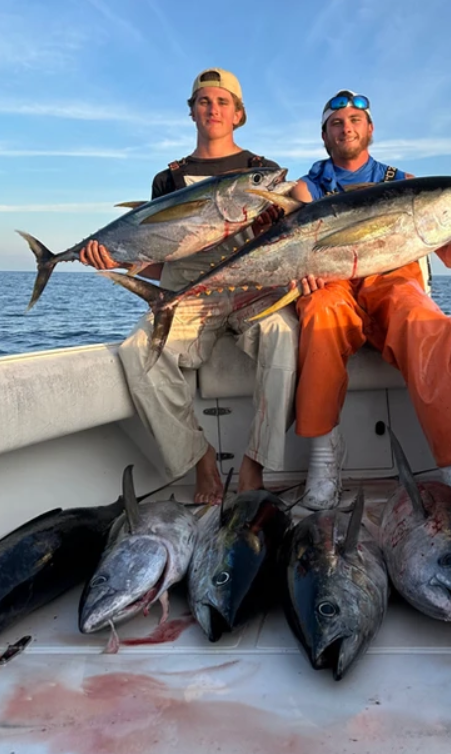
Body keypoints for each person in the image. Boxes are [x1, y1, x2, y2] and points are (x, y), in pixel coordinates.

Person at [80, 68, 298, 504]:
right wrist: (114, 260)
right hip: (188, 294)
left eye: (222, 102)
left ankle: (254, 464)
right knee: (137, 352)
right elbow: (158, 255)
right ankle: (200, 459)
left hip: (251, 287)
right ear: (192, 112)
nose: (212, 109)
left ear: (239, 114)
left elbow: (285, 241)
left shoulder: (265, 173)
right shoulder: (169, 179)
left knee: (283, 336)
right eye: (203, 101)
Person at [289, 89, 451, 523]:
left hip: (391, 284)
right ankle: (324, 464)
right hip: (333, 283)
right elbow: (291, 252)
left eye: (354, 120)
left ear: (369, 129)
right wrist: (301, 273)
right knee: (320, 314)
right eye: (336, 123)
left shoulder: (403, 181)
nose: (346, 127)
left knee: (423, 319)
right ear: (324, 136)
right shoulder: (305, 189)